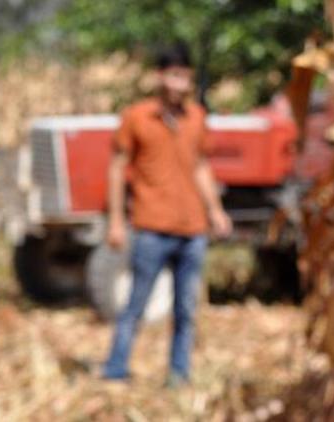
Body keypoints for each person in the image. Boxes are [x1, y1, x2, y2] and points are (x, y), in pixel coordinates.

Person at [102, 43, 232, 387]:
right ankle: (116, 369)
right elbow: (117, 169)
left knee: (186, 309)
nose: (180, 84)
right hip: (151, 227)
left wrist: (215, 211)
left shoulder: (197, 118)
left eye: (185, 77)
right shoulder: (137, 117)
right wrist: (116, 220)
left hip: (192, 228)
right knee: (136, 305)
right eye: (174, 76)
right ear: (159, 77)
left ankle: (178, 374)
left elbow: (201, 166)